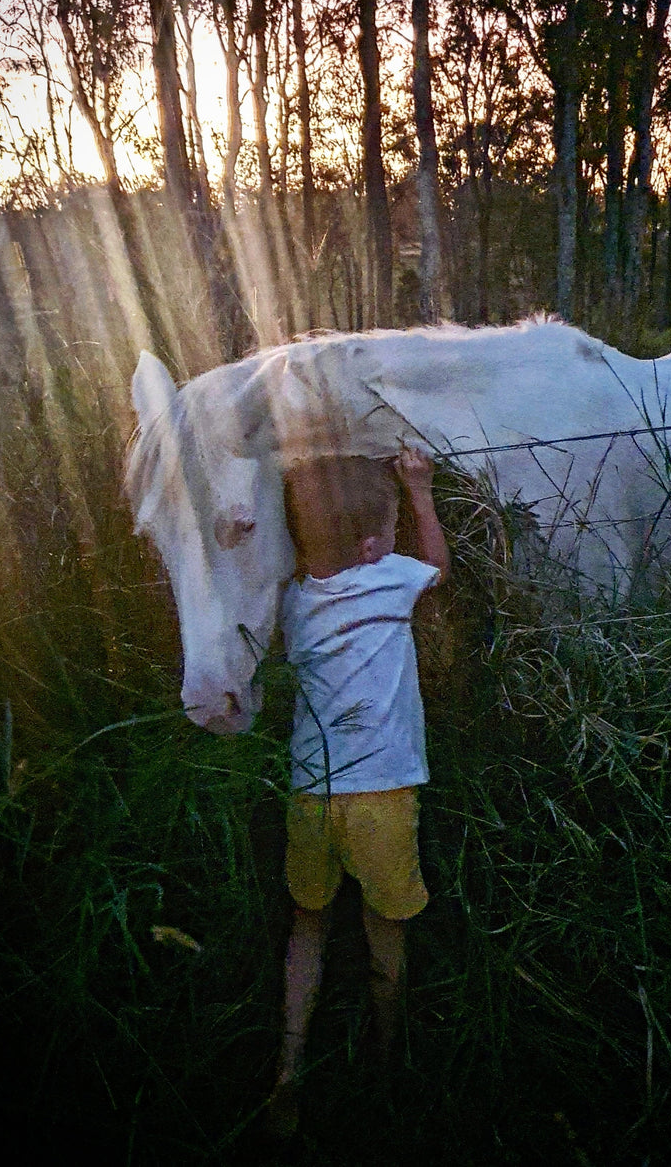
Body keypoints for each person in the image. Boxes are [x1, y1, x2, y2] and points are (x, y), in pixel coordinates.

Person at [267, 447, 450, 1138]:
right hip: (382, 794)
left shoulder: (292, 602)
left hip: (310, 794)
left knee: (307, 924)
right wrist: (420, 490)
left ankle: (287, 1066)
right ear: (375, 545)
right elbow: (439, 569)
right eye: (395, 528)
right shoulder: (390, 579)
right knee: (386, 930)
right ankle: (386, 1056)